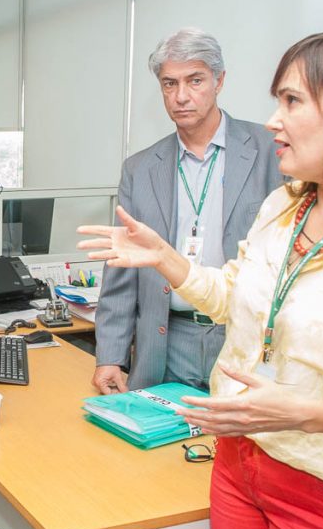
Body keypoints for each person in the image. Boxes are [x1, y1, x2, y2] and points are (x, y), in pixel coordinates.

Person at [78, 25, 323, 529]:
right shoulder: (286, 207)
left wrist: (308, 414)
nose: (273, 121)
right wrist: (167, 260)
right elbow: (235, 296)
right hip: (241, 466)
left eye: (291, 101)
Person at [92, 28, 282, 395]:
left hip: (241, 339)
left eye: (195, 81)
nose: (181, 96)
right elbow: (121, 275)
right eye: (170, 84)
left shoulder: (271, 152)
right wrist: (110, 356)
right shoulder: (140, 169)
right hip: (167, 340)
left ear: (218, 81)